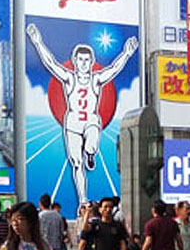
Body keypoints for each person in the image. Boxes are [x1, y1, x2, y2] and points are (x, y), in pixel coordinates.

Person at [25, 23, 139, 203]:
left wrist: (127, 53)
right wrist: (37, 42)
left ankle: (91, 154)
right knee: (77, 164)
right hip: (72, 123)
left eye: (87, 60)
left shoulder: (96, 79)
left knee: (91, 146)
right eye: (80, 60)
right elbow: (50, 64)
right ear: (75, 61)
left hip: (91, 121)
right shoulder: (69, 78)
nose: (84, 63)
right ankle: (83, 199)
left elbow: (114, 69)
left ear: (91, 62)